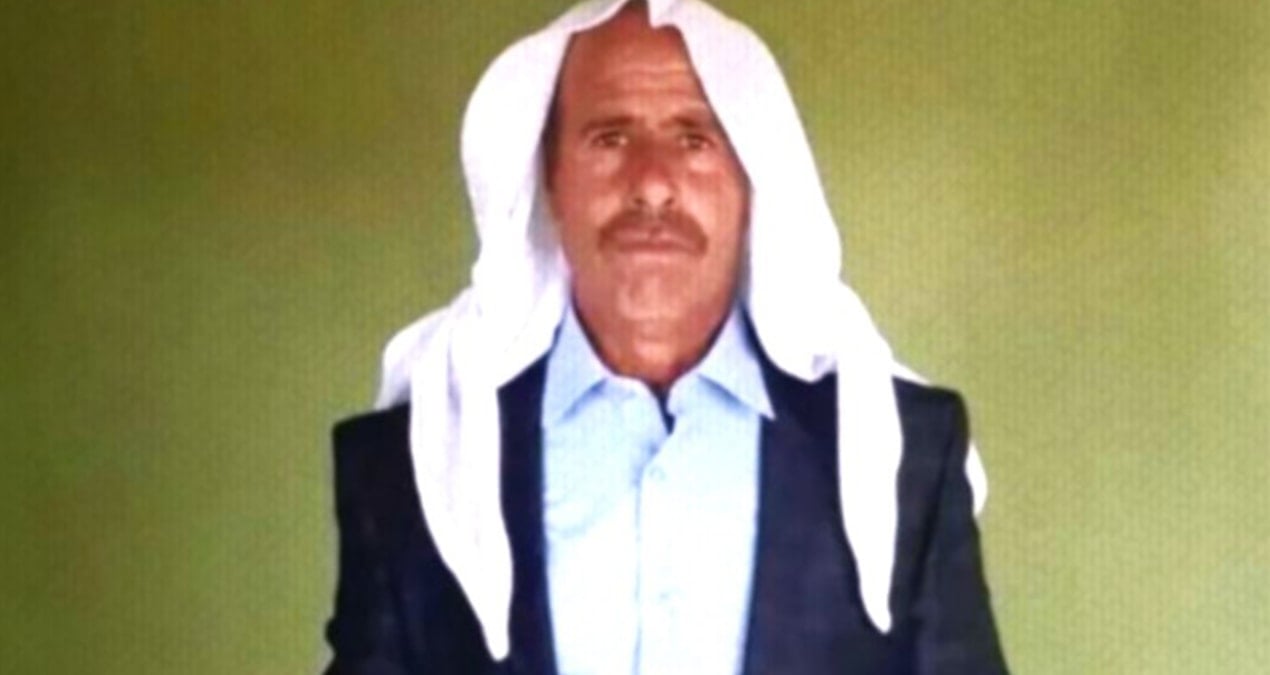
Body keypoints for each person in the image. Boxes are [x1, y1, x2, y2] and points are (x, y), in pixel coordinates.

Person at [323, 0, 1008, 673]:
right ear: (550, 180)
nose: (652, 185)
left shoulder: (899, 459)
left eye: (694, 139)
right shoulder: (421, 466)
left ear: (751, 181)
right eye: (610, 138)